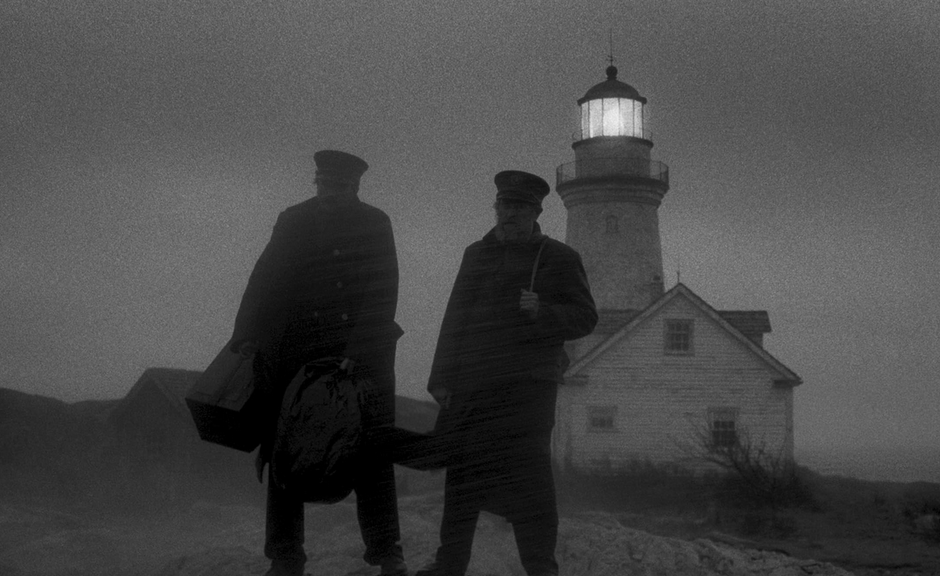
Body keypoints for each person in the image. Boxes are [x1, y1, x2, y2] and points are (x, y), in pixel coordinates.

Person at [230, 150, 407, 576]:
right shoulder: (293, 219)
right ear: (316, 181)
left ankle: (387, 553)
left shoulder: (374, 223)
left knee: (371, 454)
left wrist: (356, 350)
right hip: (295, 350)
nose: (332, 192)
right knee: (284, 450)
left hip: (358, 354)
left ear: (357, 187)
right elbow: (264, 276)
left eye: (342, 186)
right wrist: (246, 336)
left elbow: (383, 288)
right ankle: (285, 556)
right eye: (326, 183)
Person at [415, 170, 598, 576]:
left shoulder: (559, 258)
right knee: (462, 479)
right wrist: (440, 378)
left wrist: (544, 311)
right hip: (473, 386)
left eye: (519, 207)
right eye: (504, 205)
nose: (509, 214)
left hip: (528, 390)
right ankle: (449, 566)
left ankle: (540, 568)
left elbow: (586, 317)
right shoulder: (476, 254)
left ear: (536, 212)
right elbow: (455, 318)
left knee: (531, 481)